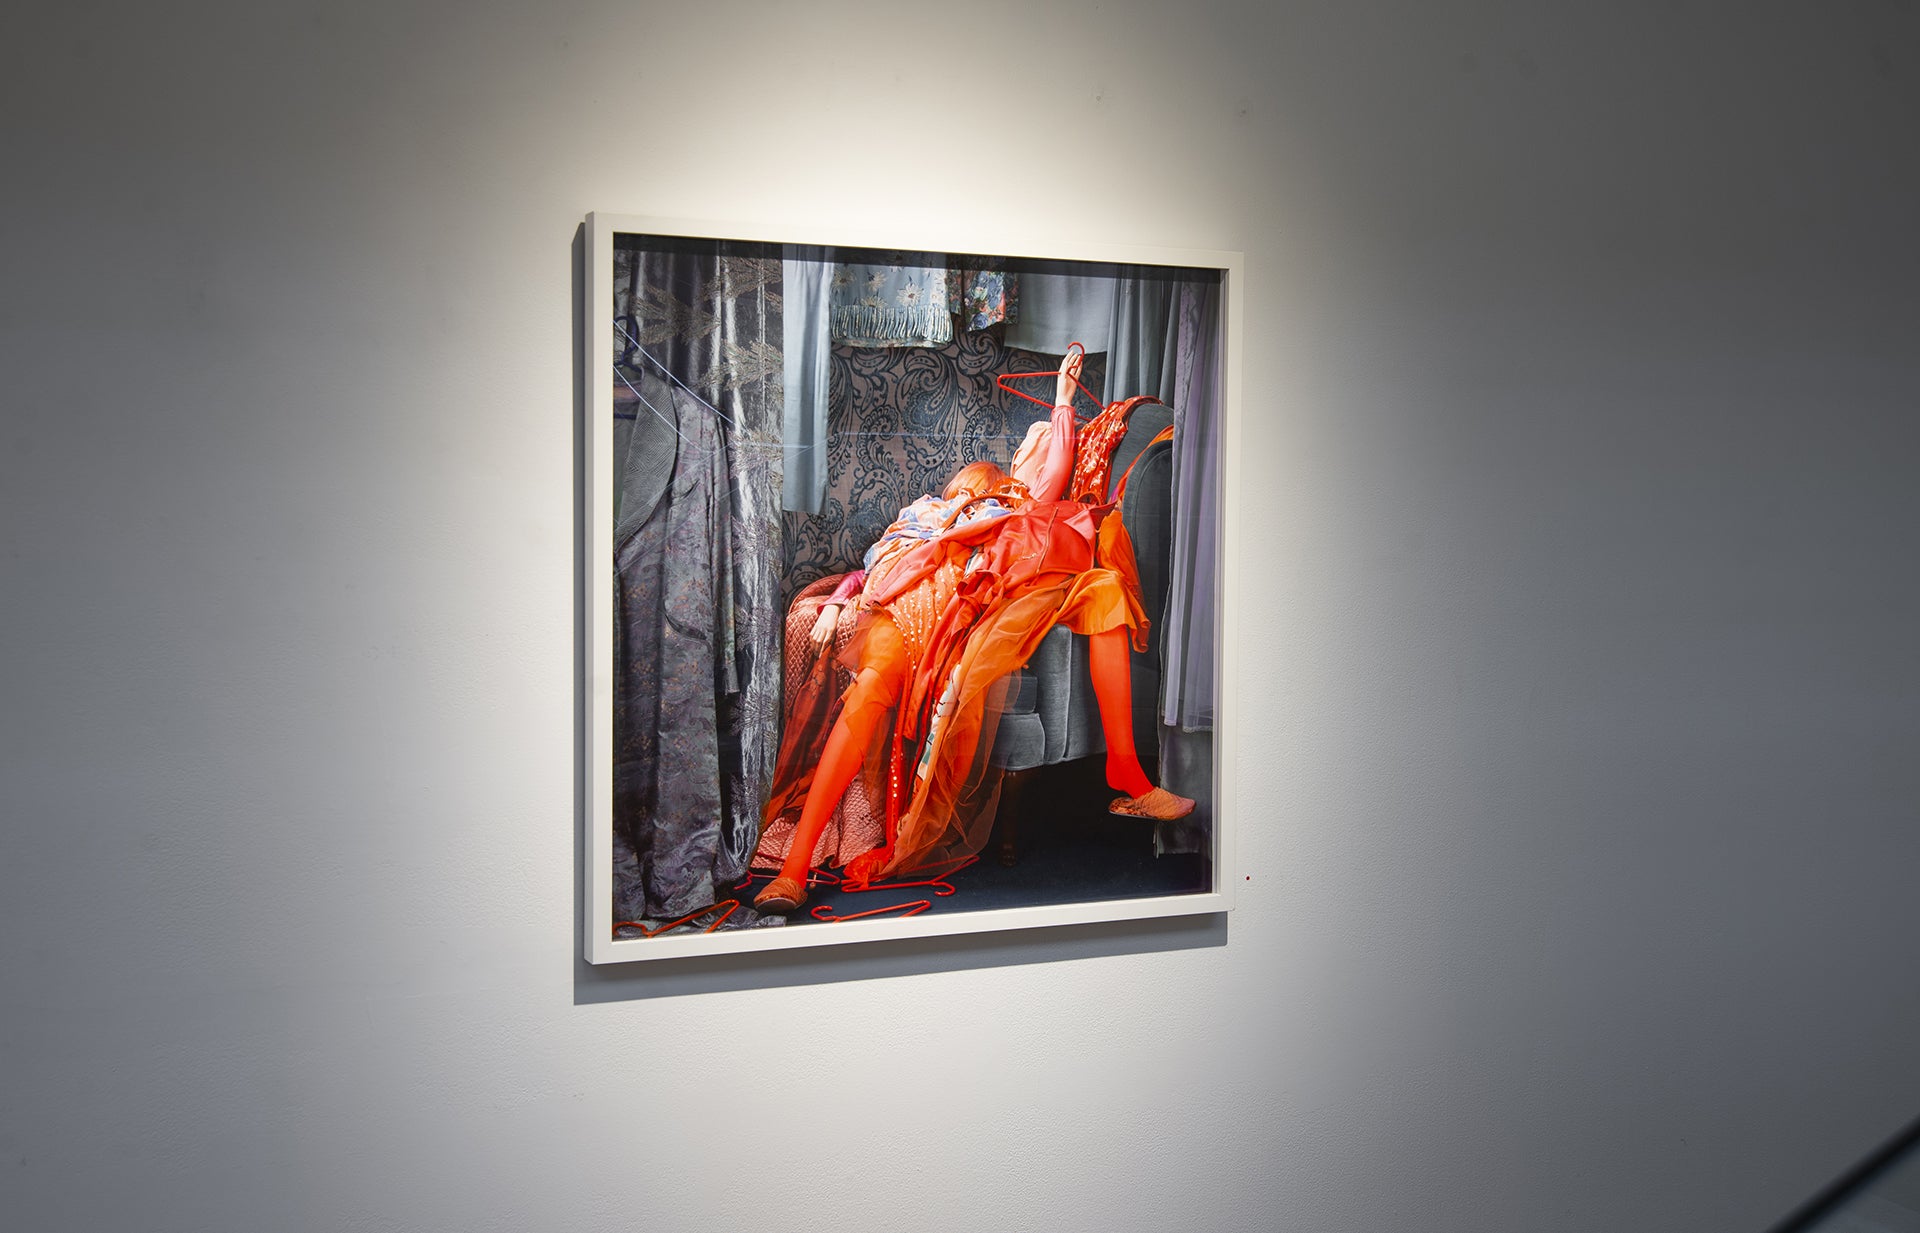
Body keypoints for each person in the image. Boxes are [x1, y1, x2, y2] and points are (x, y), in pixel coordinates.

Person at [754, 351, 1192, 914]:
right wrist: (846, 599)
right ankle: (792, 871)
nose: (980, 480)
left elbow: (1051, 482)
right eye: (972, 481)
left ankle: (1125, 768)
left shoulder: (1013, 511)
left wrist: (1062, 404)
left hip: (968, 601)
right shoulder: (925, 513)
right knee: (870, 690)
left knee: (1103, 586)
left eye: (995, 476)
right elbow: (873, 566)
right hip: (911, 601)